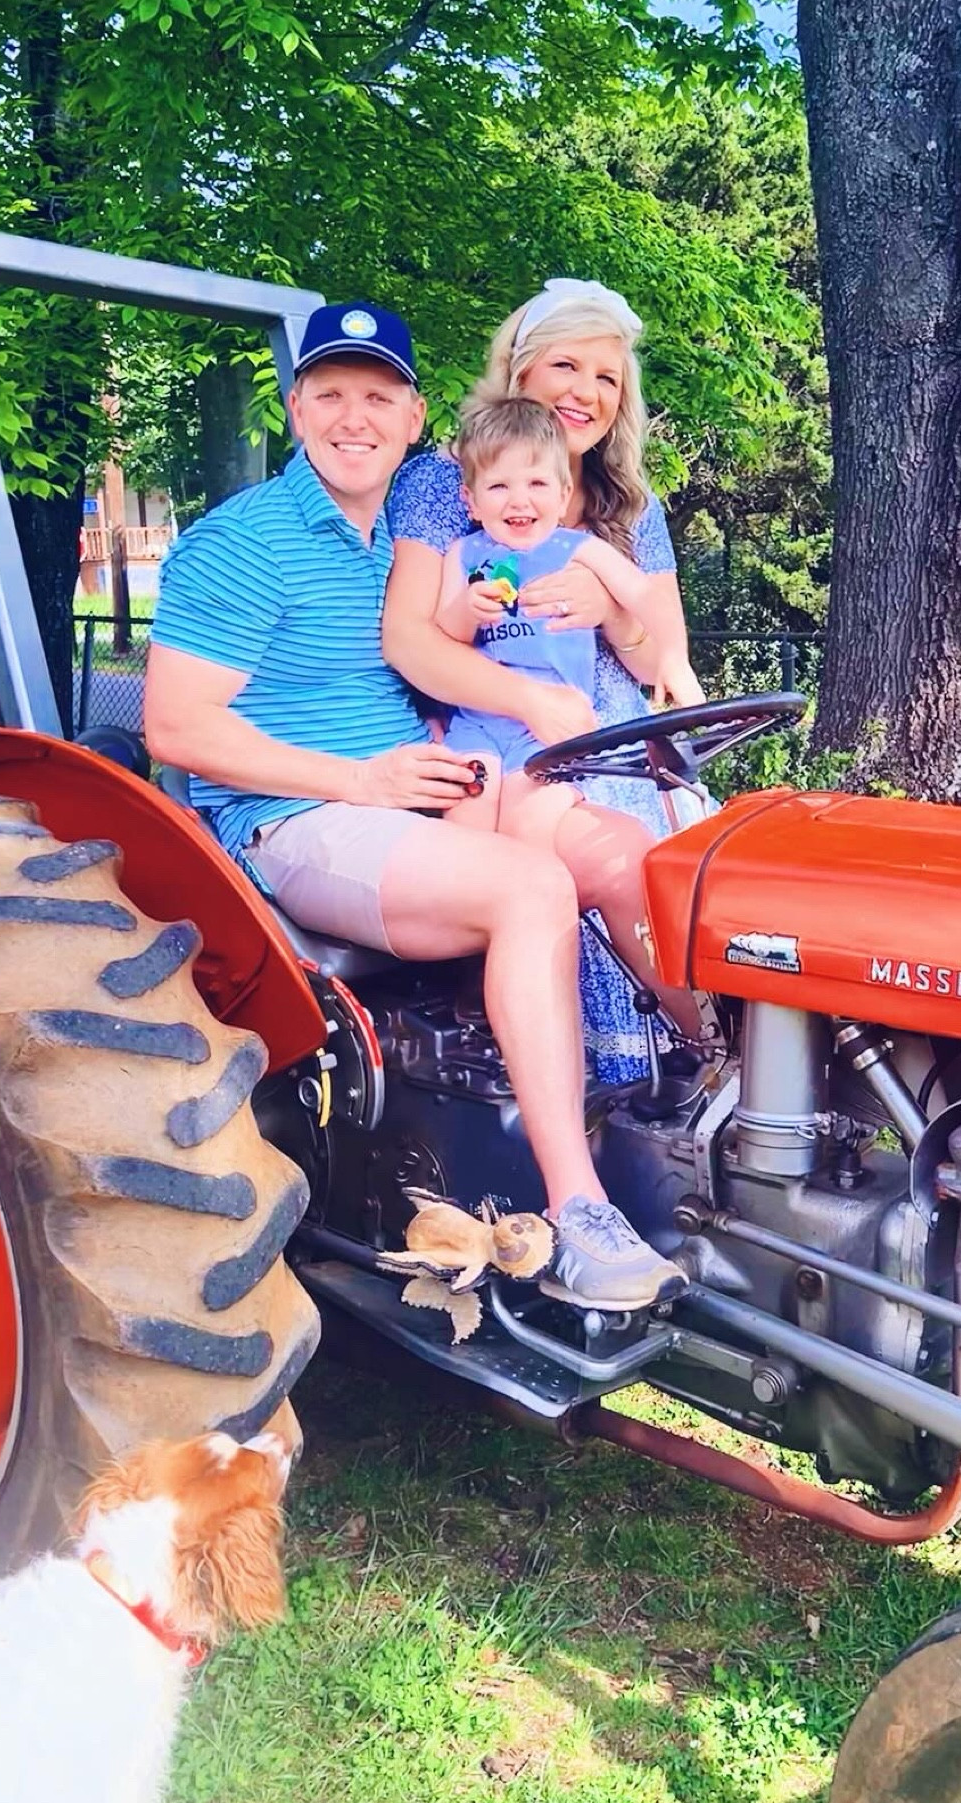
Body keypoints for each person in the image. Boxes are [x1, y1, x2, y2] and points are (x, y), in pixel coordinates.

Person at [142, 300, 686, 1311]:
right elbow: (175, 728)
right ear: (296, 408)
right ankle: (580, 1210)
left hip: (426, 792)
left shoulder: (414, 531)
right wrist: (362, 779)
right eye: (331, 395)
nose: (355, 418)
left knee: (641, 858)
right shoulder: (242, 542)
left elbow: (508, 631)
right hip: (300, 814)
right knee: (531, 885)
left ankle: (711, 1097)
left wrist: (600, 608)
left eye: (378, 398)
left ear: (413, 416)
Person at [383, 277, 699, 1083]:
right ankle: (559, 1071)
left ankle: (708, 1061)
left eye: (607, 378)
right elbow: (413, 639)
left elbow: (659, 655)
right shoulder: (445, 482)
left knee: (687, 875)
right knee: (568, 854)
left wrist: (611, 611)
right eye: (566, 365)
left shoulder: (628, 503)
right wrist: (529, 700)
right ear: (519, 371)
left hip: (610, 731)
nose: (586, 392)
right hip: (497, 724)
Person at [433, 394, 704, 1037]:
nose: (518, 500)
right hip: (478, 723)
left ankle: (535, 986)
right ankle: (471, 992)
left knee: (529, 837)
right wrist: (468, 609)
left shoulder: (575, 550)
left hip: (549, 733)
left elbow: (648, 596)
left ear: (562, 494)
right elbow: (442, 631)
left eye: (535, 484)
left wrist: (662, 651)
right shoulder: (464, 555)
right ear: (472, 499)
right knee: (464, 833)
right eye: (499, 486)